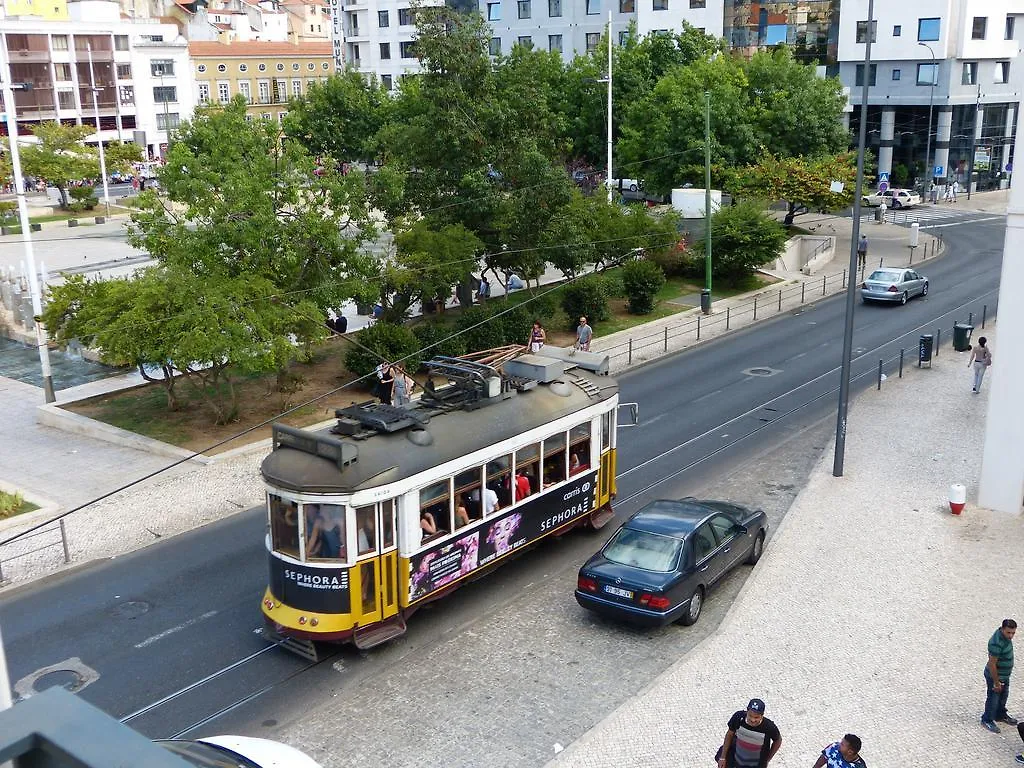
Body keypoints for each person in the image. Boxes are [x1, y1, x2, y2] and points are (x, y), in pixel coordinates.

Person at [716, 698, 781, 768]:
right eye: (750, 716)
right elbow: (729, 734)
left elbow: (778, 740)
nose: (753, 720)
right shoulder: (738, 717)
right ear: (747, 711)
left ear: (762, 715)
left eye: (756, 717)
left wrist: (767, 759)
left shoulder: (769, 727)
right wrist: (723, 757)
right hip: (735, 759)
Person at [982, 618, 1018, 732]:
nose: (1011, 636)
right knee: (993, 698)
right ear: (1002, 629)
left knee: (1003, 696)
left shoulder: (1005, 637)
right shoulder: (996, 643)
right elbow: (992, 664)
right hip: (996, 676)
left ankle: (1000, 715)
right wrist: (996, 683)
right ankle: (987, 719)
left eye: (1013, 633)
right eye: (1008, 632)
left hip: (1004, 675)